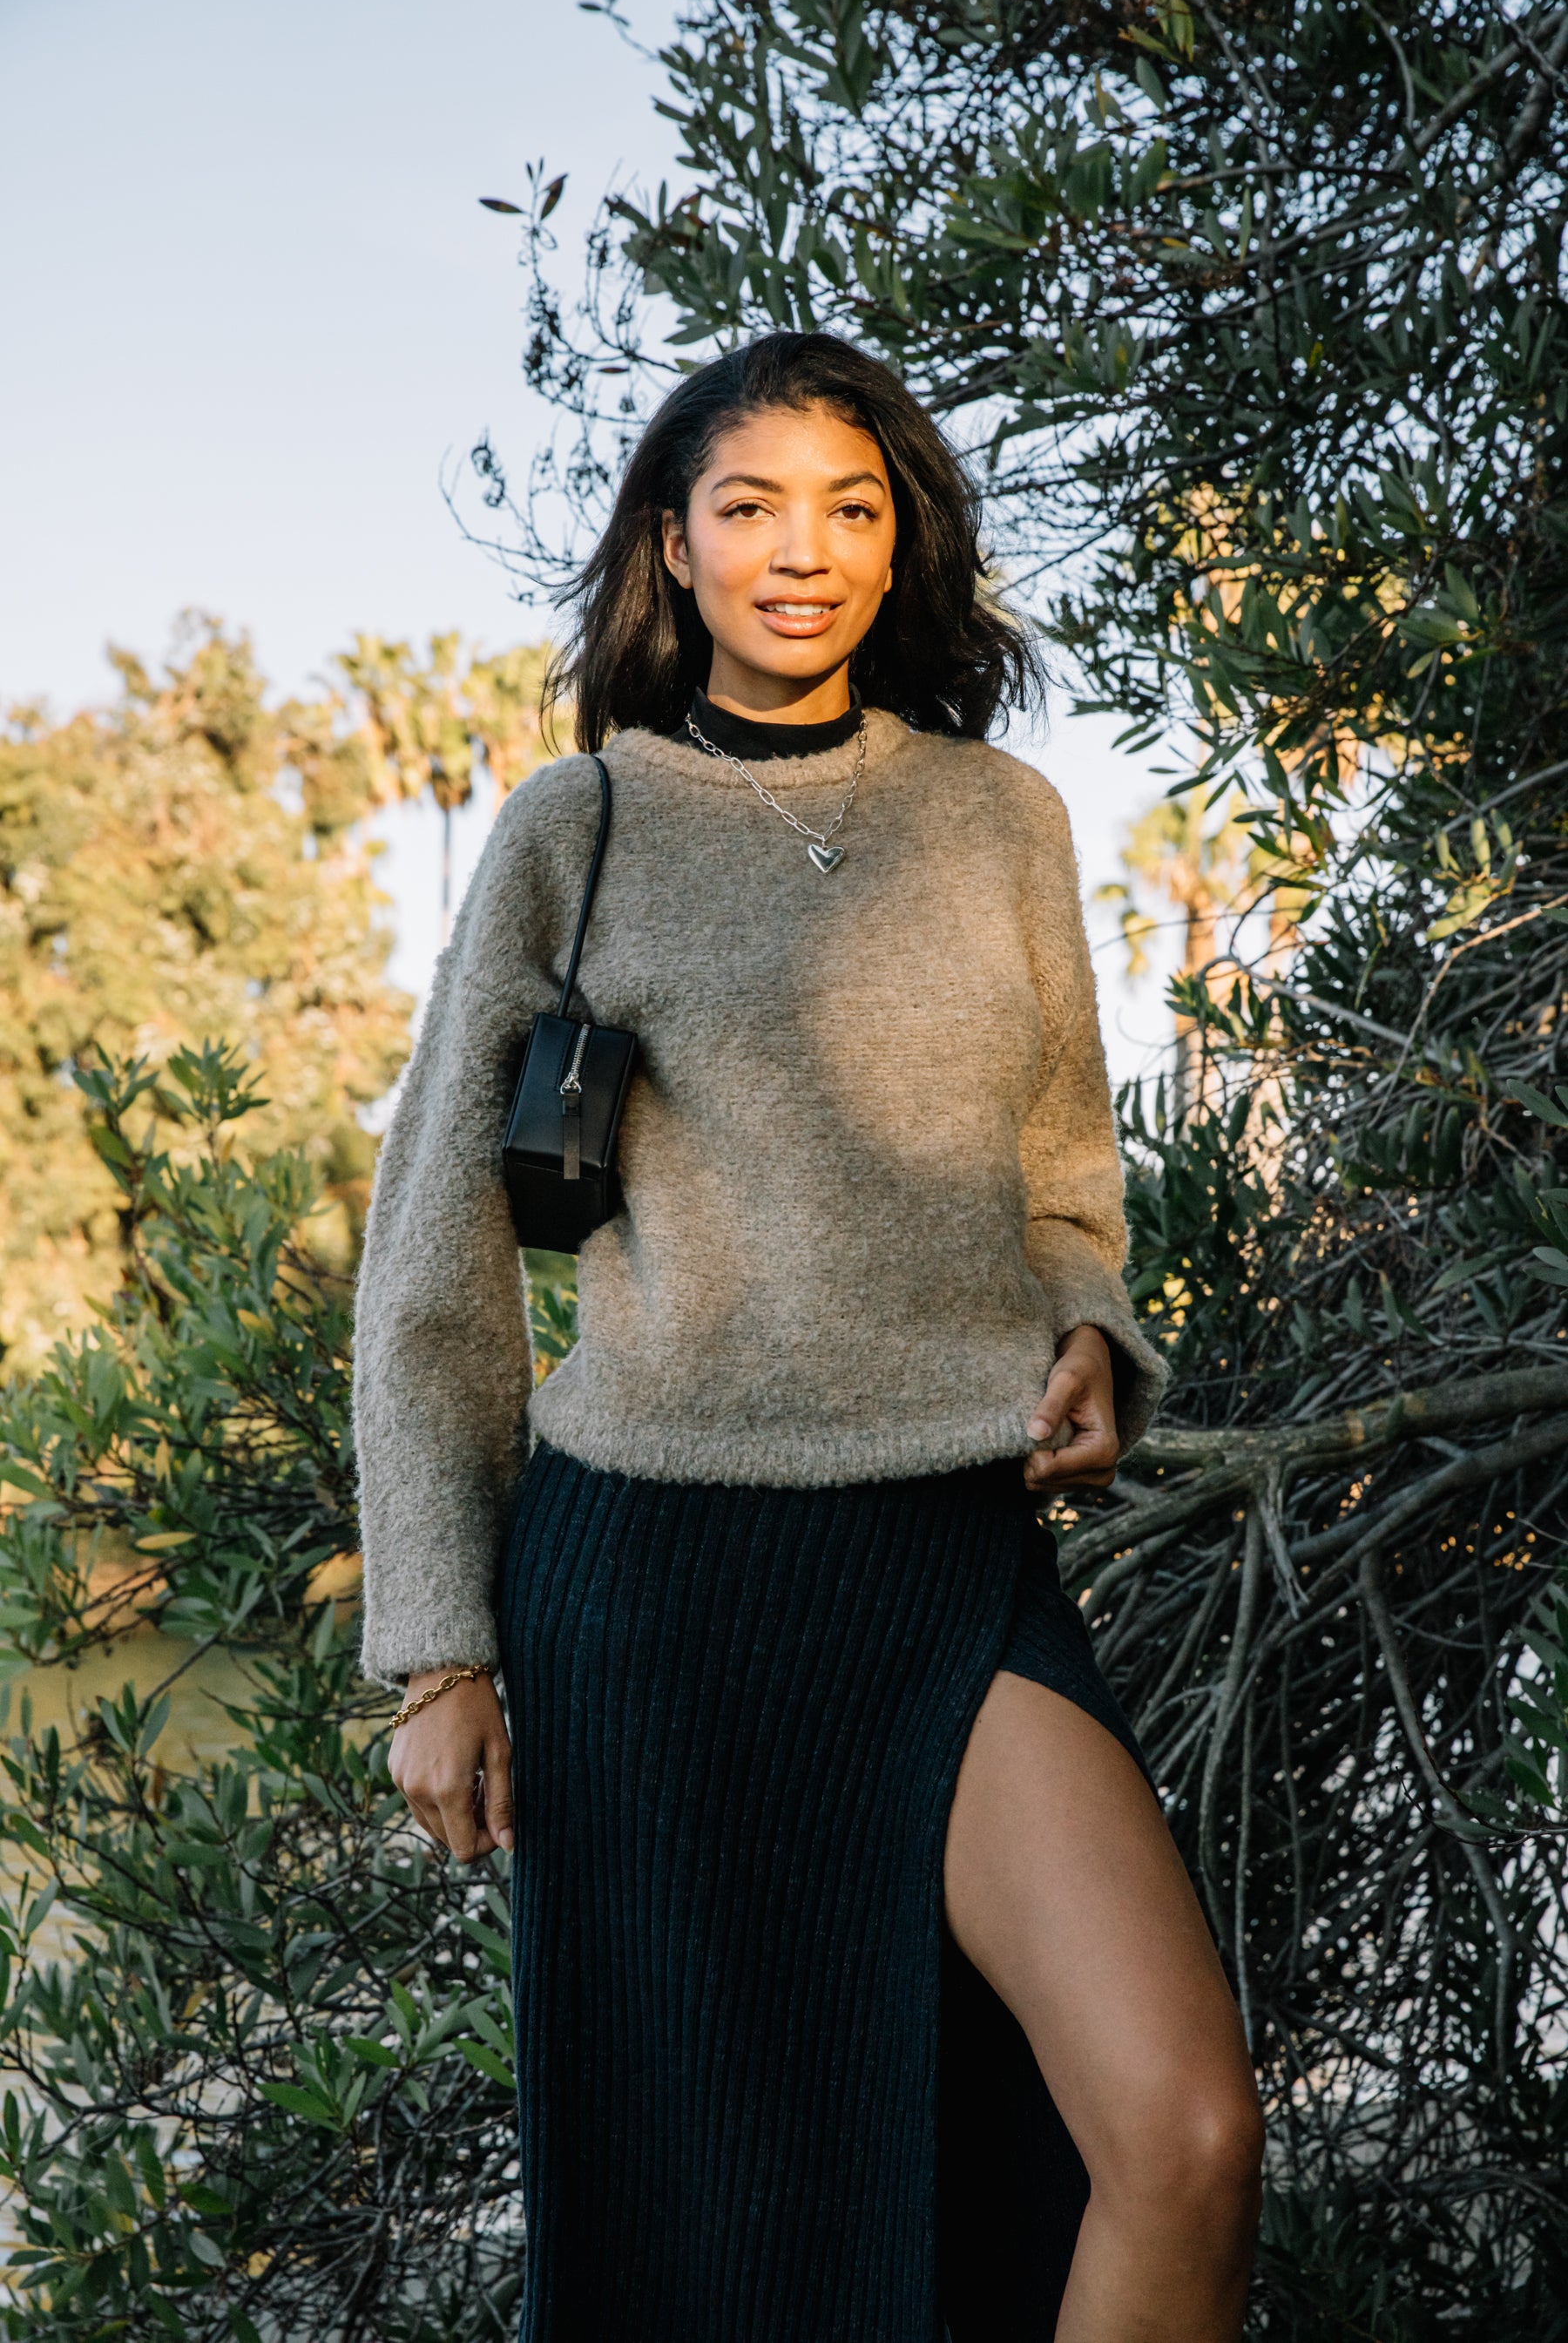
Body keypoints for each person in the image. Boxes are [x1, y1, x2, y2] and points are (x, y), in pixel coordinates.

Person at [353, 330, 1264, 2343]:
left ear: (898, 543)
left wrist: (1090, 1332)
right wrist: (441, 1651)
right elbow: (436, 1253)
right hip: (656, 1593)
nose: (803, 550)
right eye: (751, 506)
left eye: (851, 509)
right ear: (674, 547)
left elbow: (1062, 1174)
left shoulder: (1001, 818)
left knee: (1183, 2134)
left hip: (949, 1556)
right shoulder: (580, 826)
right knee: (731, 2246)